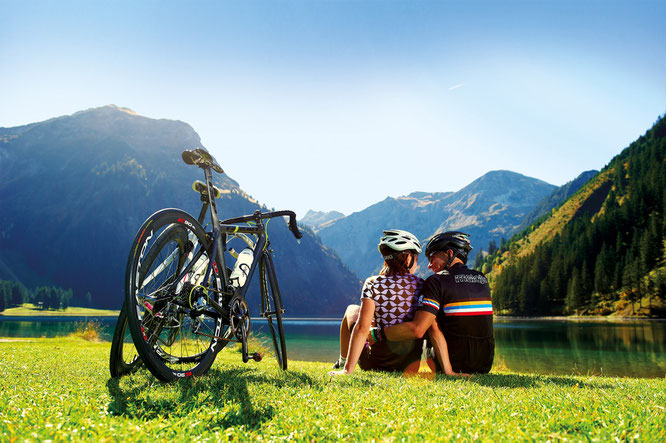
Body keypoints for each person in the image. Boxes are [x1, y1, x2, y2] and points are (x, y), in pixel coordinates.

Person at [329, 229, 456, 376]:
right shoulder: (423, 285)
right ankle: (343, 363)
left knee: (352, 309)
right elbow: (433, 328)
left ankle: (343, 363)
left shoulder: (372, 284)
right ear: (408, 258)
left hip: (374, 363)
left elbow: (362, 328)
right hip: (410, 364)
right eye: (416, 257)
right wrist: (449, 371)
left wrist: (348, 371)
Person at [368, 231, 494, 374]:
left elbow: (417, 329)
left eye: (432, 257)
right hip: (484, 364)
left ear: (449, 253)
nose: (429, 265)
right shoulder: (482, 279)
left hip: (453, 363)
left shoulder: (437, 281)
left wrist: (377, 334)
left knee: (428, 319)